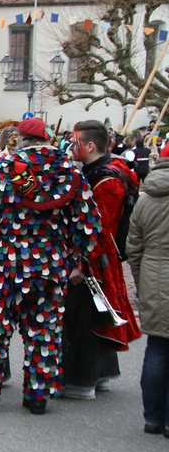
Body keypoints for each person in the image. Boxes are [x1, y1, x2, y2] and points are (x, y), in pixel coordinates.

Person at [0, 118, 99, 415]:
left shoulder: (3, 170)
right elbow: (89, 225)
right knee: (44, 331)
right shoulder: (70, 174)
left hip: (5, 265)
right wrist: (78, 259)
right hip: (50, 267)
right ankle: (38, 396)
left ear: (20, 140)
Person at [61, 120, 142, 399]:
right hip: (97, 257)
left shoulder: (106, 179)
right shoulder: (103, 172)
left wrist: (80, 263)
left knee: (84, 318)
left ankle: (82, 381)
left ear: (90, 145)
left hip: (95, 261)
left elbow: (97, 229)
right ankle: (100, 375)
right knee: (93, 315)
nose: (72, 147)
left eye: (76, 142)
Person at [127, 155, 169, 436]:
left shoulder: (146, 198)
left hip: (155, 274)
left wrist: (143, 280)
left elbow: (134, 246)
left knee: (157, 348)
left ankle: (153, 416)